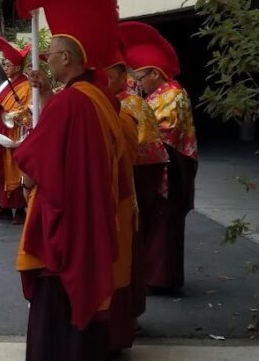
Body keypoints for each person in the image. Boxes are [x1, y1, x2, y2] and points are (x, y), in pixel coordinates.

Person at [14, 0, 122, 361]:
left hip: (66, 219)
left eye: (51, 52)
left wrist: (26, 173)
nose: (46, 58)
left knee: (57, 303)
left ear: (65, 58)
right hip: (91, 213)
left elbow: (34, 154)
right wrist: (45, 95)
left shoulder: (72, 102)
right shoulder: (96, 98)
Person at [122, 21, 197, 294]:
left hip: (170, 169)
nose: (139, 84)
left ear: (155, 73)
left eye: (141, 78)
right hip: (159, 165)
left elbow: (164, 134)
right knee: (156, 226)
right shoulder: (158, 95)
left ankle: (161, 279)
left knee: (164, 226)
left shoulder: (173, 96)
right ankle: (155, 275)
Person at [105, 49, 151, 354]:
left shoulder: (132, 104)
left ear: (124, 76)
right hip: (107, 187)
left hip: (126, 187)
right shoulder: (99, 102)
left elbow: (143, 147)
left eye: (112, 73)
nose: (107, 78)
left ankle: (128, 316)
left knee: (126, 255)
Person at [0, 36, 31, 224]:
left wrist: (10, 113)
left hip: (15, 134)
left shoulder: (26, 85)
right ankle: (4, 207)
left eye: (8, 65)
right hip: (0, 131)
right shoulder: (7, 84)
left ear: (18, 68)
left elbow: (27, 109)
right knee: (0, 169)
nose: (5, 68)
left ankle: (19, 209)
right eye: (4, 64)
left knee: (15, 170)